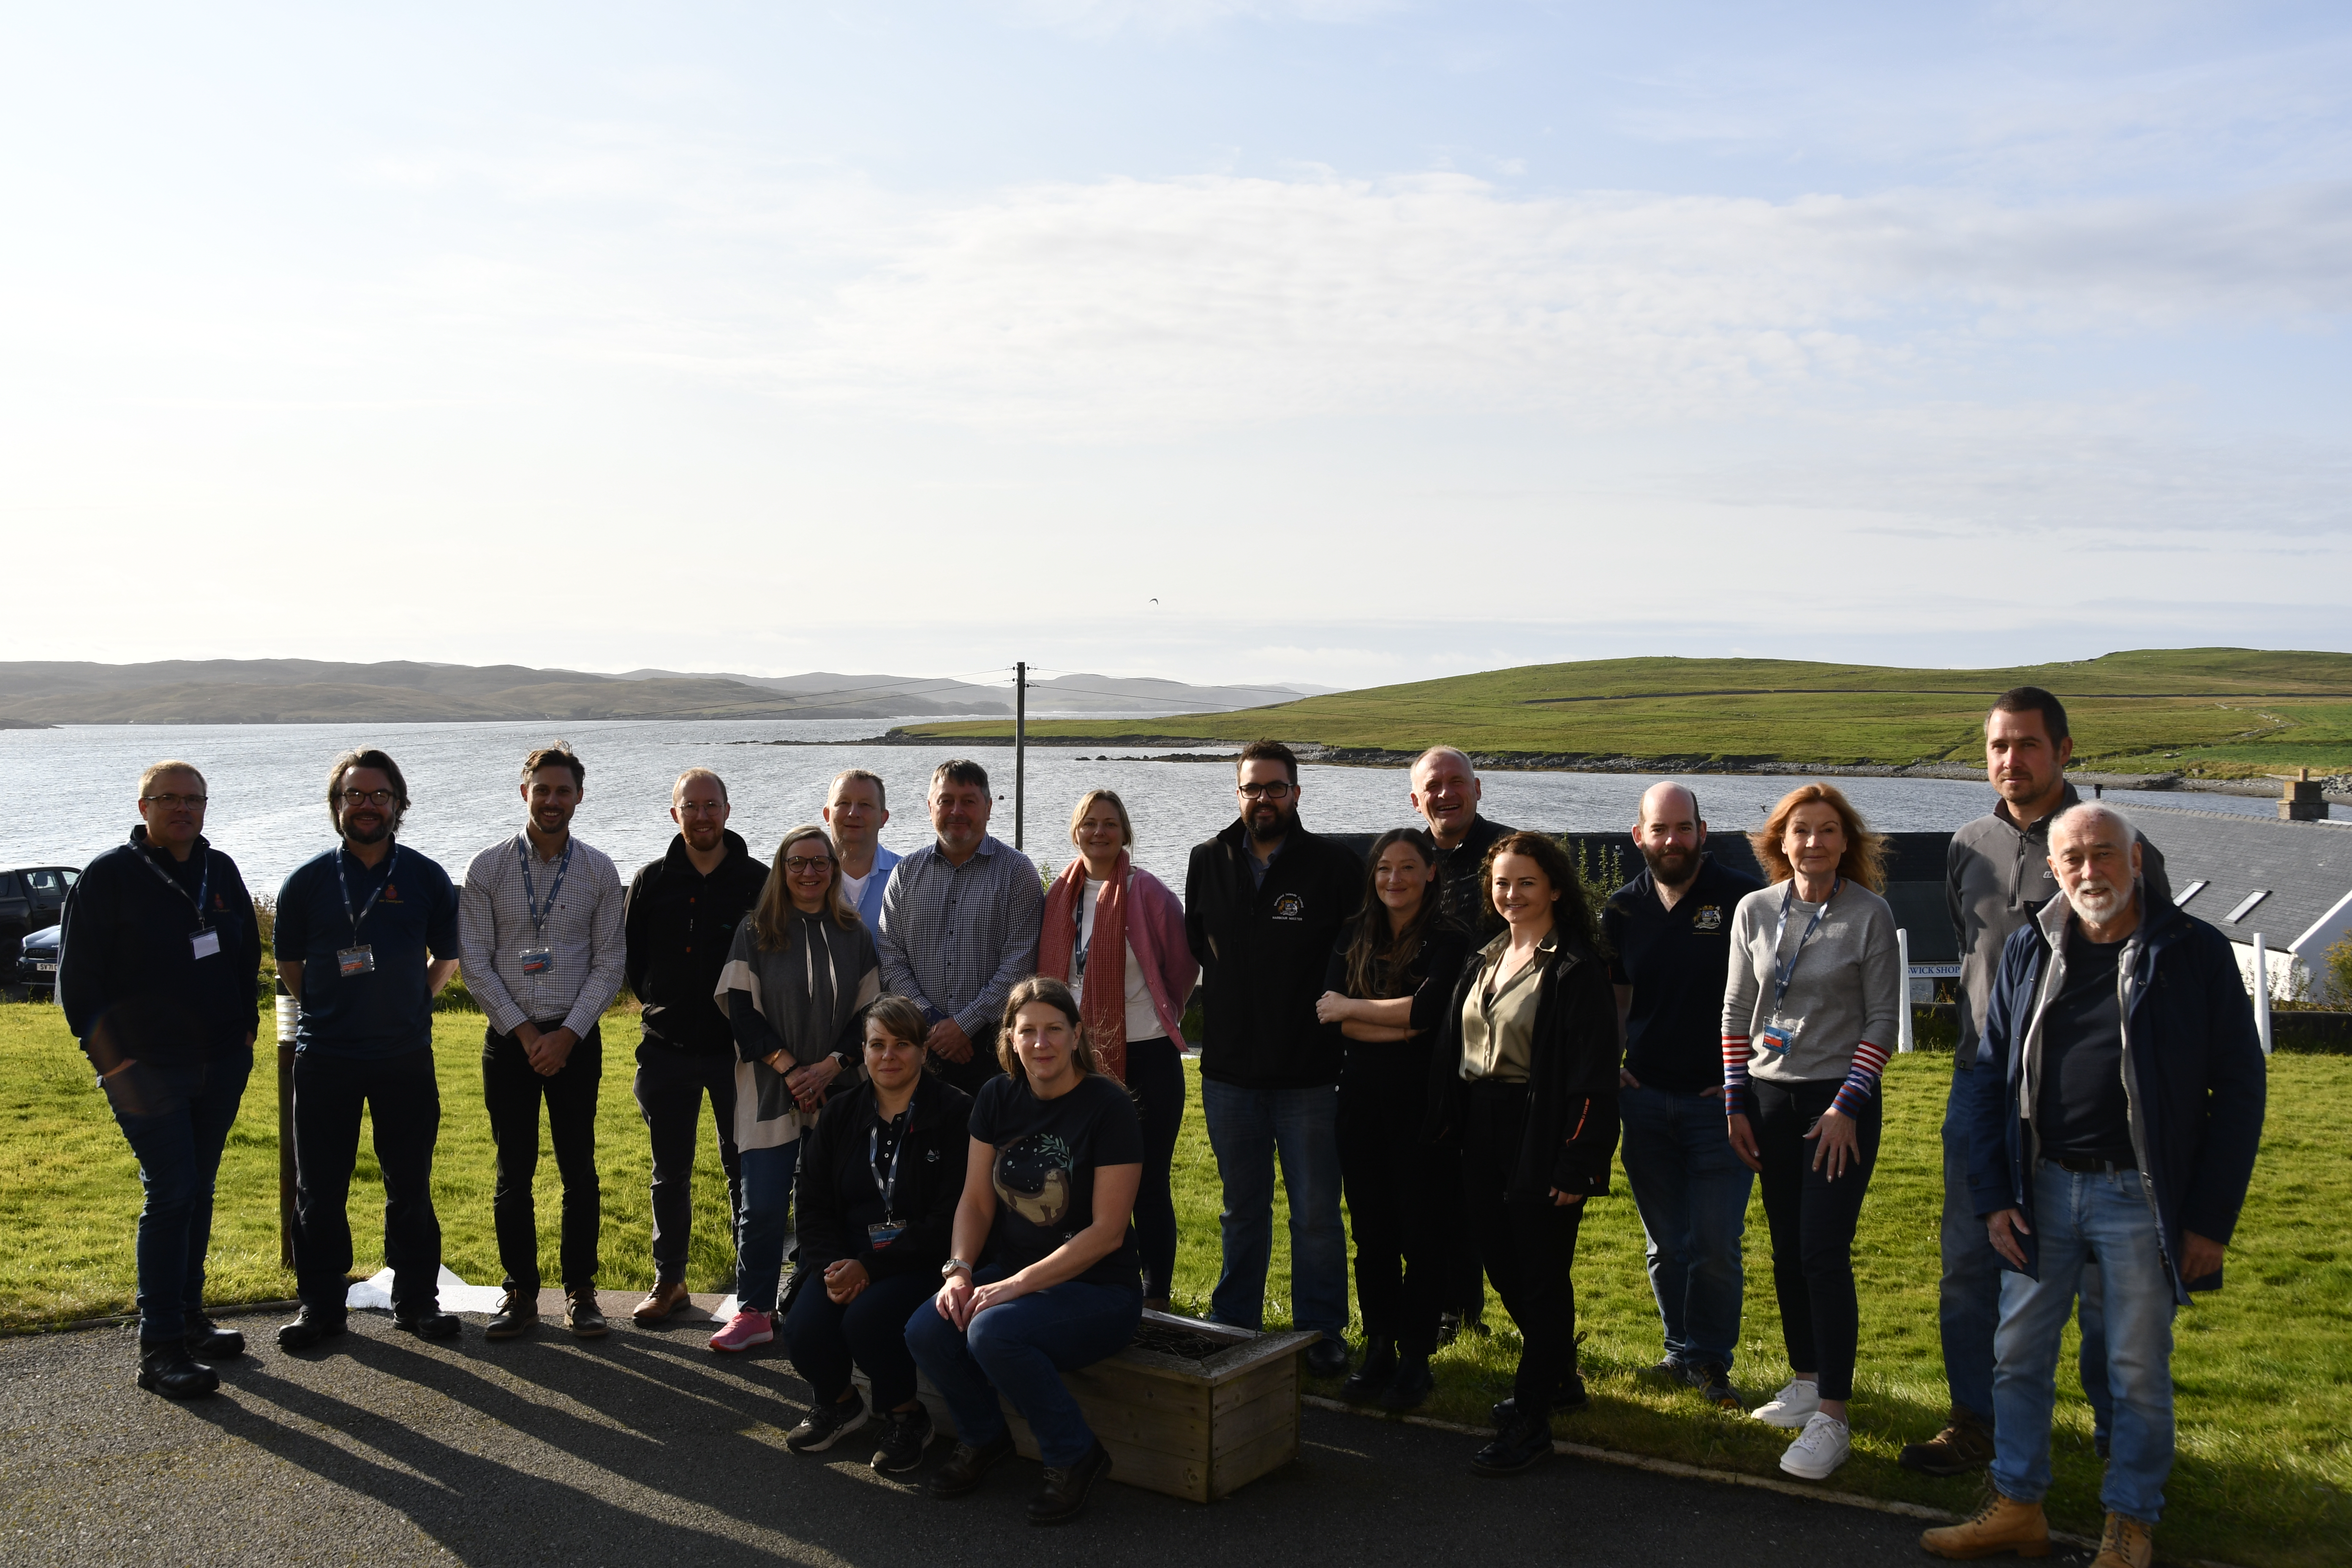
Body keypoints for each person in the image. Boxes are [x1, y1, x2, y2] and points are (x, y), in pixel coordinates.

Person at [1923, 803, 2264, 1568]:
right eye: (2071, 859)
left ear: (2136, 859)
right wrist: (1993, 1193)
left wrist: (2209, 1217)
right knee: (2016, 1355)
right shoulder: (2027, 949)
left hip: (2137, 1197)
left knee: (2134, 1365)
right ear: (2052, 869)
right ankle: (2017, 1504)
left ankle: (2129, 1521)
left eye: (2103, 854)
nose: (2088, 871)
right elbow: (1987, 1077)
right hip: (2038, 1188)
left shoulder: (2192, 953)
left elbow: (2240, 1090)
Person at [1908, 687, 2172, 1476]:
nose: (2009, 760)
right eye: (1996, 745)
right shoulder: (1966, 844)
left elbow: (2153, 965)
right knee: (1968, 1261)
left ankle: (2112, 1432)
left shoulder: (2118, 845)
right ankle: (1973, 1420)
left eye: (2026, 744)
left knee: (2101, 1279)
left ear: (2062, 750)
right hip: (1982, 1087)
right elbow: (1973, 954)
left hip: (2089, 1098)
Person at [56, 760, 263, 1398]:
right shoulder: (108, 878)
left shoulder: (219, 869)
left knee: (198, 1189)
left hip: (221, 1064)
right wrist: (114, 1067)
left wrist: (247, 1031)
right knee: (172, 1192)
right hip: (147, 1071)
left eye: (193, 799)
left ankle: (189, 1317)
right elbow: (79, 985)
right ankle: (160, 1347)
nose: (183, 809)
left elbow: (244, 957)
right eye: (168, 799)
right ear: (143, 806)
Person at [907, 977, 1145, 1526]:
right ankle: (985, 1438)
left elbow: (1108, 1232)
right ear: (1010, 1039)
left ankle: (1075, 1455)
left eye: (1054, 1030)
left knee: (994, 1331)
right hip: (1012, 1276)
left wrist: (1010, 1289)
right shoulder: (996, 1097)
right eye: (1028, 1031)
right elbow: (975, 1200)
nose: (1042, 1043)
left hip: (1099, 1291)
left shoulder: (1108, 1107)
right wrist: (960, 1271)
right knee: (928, 1327)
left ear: (1077, 1034)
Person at [1719, 783, 1901, 1482]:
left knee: (1823, 1250)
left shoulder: (1869, 914)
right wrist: (1735, 1102)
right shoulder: (1753, 910)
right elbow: (1736, 1010)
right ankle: (1804, 1379)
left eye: (1828, 831)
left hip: (1838, 1103)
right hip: (1767, 1098)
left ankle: (1833, 1414)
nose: (1814, 843)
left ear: (1845, 841)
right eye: (1801, 831)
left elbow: (1881, 1019)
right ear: (1780, 840)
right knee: (1787, 1248)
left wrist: (1847, 1105)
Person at [1426, 831, 1620, 1476]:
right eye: (1502, 883)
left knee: (1539, 1278)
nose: (1512, 895)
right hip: (1480, 1129)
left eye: (1526, 883)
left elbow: (1593, 1075)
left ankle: (1534, 1423)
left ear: (1556, 888)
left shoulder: (1575, 968)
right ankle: (1560, 1377)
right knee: (1506, 1269)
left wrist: (1578, 1162)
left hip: (1540, 1131)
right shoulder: (1483, 957)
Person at [273, 749, 465, 1351]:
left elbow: (448, 959)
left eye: (379, 796)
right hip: (326, 1057)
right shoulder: (306, 882)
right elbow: (289, 965)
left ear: (398, 805)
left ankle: (416, 1303)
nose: (366, 806)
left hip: (403, 1057)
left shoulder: (426, 877)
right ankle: (322, 1308)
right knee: (320, 1189)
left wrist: (414, 1003)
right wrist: (333, 1013)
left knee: (409, 1184)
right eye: (354, 795)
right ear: (336, 806)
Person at [1184, 740, 1363, 1378]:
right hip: (1230, 1073)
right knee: (1241, 1208)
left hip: (1310, 1073)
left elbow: (1353, 956)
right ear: (1238, 793)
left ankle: (1322, 1331)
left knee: (1316, 1211)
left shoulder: (1334, 864)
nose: (1264, 799)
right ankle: (1235, 1325)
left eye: (1276, 788)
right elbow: (1197, 947)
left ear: (1296, 793)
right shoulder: (1208, 859)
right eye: (1252, 788)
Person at [458, 743, 628, 1340]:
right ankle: (520, 1293)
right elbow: (475, 963)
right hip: (511, 1041)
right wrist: (530, 1034)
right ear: (524, 791)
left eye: (564, 791)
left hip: (576, 1039)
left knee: (580, 1169)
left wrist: (567, 1035)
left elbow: (610, 964)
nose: (552, 801)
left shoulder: (600, 871)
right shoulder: (488, 869)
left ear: (579, 796)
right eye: (542, 790)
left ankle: (581, 1292)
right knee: (515, 1172)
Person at [1603, 781, 1764, 1411]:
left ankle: (1711, 1361)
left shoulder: (1744, 899)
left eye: (1684, 828)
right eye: (1660, 830)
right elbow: (1618, 998)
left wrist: (1741, 1074)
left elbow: (1771, 997)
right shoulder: (1621, 909)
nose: (1673, 841)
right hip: (1643, 1100)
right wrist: (1614, 1064)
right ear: (1638, 835)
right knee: (1666, 1244)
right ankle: (1679, 1353)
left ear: (1703, 831)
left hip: (1719, 1105)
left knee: (1716, 1245)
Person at [779, 994, 972, 1472]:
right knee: (801, 1325)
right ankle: (840, 1403)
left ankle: (907, 1416)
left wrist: (871, 1266)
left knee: (867, 1320)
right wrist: (831, 1266)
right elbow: (812, 1204)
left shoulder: (955, 1113)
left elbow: (951, 1216)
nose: (889, 1055)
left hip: (923, 1260)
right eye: (877, 1044)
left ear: (924, 1050)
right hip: (846, 1257)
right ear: (863, 1052)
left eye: (902, 1044)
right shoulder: (840, 1114)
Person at [1315, 827, 1472, 1412]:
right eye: (1384, 869)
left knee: (1422, 1234)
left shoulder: (1449, 937)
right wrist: (1392, 1020)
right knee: (1372, 1234)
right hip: (1359, 1104)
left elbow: (1430, 1013)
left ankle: (1415, 1358)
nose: (1394, 879)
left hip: (1424, 1106)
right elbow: (1329, 1012)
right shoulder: (1355, 934)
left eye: (1407, 868)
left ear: (1430, 873)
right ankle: (1378, 1346)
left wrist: (1361, 1012)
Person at [711, 825, 881, 1351]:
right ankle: (754, 1311)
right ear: (781, 870)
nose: (809, 872)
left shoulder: (854, 934)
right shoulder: (755, 931)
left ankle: (813, 1297)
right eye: (797, 862)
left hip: (839, 1091)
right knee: (761, 1206)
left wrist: (829, 1067)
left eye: (820, 862)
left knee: (831, 1204)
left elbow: (871, 1015)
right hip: (769, 1089)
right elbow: (741, 1012)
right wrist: (791, 1070)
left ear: (833, 869)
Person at [1036, 789, 1196, 1310]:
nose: (1099, 832)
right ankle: (1101, 1278)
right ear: (1075, 830)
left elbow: (1182, 965)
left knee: (1146, 1179)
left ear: (1124, 831)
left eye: (1110, 824)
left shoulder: (1147, 892)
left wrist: (1159, 1009)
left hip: (1146, 1054)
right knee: (1079, 1177)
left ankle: (1157, 1293)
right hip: (1077, 1061)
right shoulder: (1058, 894)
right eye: (1089, 823)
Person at [621, 767, 768, 1327]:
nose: (702, 816)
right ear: (674, 813)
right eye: (691, 806)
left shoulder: (758, 881)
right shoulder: (652, 881)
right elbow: (635, 964)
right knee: (670, 1173)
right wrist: (665, 1005)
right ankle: (670, 1282)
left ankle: (750, 1295)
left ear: (727, 811)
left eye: (711, 806)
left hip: (739, 1053)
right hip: (668, 1050)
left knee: (743, 1172)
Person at [1408, 744, 1506, 1337]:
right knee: (1427, 1182)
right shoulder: (1403, 856)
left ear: (1478, 787)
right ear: (1416, 799)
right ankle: (1443, 1306)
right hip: (1414, 1046)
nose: (1446, 794)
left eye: (1456, 782)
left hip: (1491, 1051)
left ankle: (1471, 1309)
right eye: (1433, 786)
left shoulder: (1509, 852)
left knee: (1481, 1189)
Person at [877, 759, 1043, 1094]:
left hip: (995, 1048)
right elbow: (890, 957)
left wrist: (964, 1026)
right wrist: (934, 1023)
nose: (957, 811)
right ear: (930, 807)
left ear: (989, 807)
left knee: (992, 1144)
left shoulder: (1017, 873)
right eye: (946, 801)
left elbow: (1020, 963)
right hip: (920, 1046)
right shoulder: (905, 875)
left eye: (968, 801)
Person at [825, 768, 902, 938]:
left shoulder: (908, 876)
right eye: (843, 803)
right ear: (827, 815)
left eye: (865, 805)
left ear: (884, 818)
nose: (854, 813)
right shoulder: (804, 877)